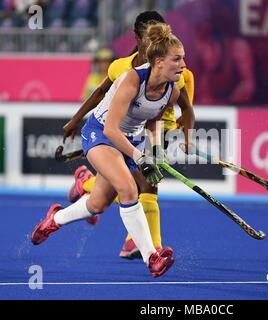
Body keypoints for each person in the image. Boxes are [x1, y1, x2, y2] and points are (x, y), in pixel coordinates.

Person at [31, 23, 185, 278]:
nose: (182, 64)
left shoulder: (172, 90)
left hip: (131, 140)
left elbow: (153, 121)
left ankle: (54, 219)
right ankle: (152, 257)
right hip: (101, 133)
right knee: (128, 188)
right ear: (158, 61)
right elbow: (112, 129)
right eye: (176, 59)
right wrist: (140, 157)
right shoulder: (133, 80)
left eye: (183, 58)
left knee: (97, 204)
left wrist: (155, 152)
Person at [62, 11, 195, 259]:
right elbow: (100, 95)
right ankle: (145, 246)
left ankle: (136, 240)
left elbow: (186, 108)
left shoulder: (178, 71)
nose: (156, 43)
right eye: (150, 37)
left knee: (147, 184)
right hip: (125, 134)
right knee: (136, 184)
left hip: (155, 133)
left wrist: (186, 135)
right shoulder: (121, 67)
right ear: (137, 38)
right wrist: (75, 120)